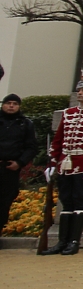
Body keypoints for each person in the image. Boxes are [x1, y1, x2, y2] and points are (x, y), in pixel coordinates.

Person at [41, 80, 83, 255]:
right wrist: (51, 163)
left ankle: (74, 241)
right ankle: (61, 241)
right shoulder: (68, 113)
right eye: (79, 91)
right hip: (65, 165)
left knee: (79, 201)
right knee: (66, 202)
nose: (80, 93)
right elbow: (58, 141)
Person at [1, 94, 37, 236]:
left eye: (15, 103)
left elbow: (31, 147)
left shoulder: (25, 124)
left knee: (4, 202)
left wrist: (20, 163)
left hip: (10, 169)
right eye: (8, 103)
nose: (11, 106)